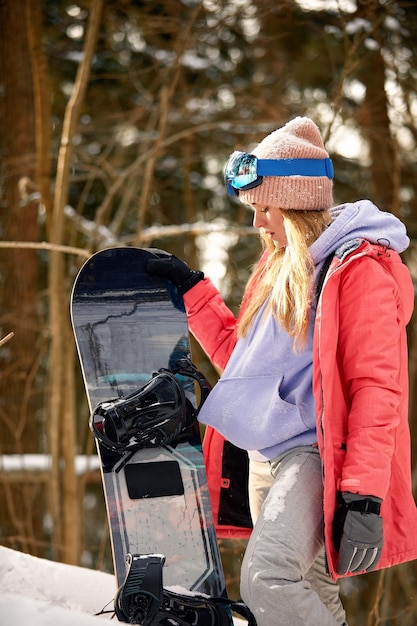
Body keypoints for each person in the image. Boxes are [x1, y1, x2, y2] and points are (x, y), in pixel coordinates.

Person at [147, 116, 417, 626]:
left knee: (267, 579)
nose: (257, 224)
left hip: (313, 456)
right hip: (262, 459)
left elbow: (376, 389)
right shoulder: (278, 267)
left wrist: (362, 493)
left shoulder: (357, 272)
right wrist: (194, 293)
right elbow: (247, 371)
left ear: (295, 204)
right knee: (310, 588)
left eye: (265, 208)